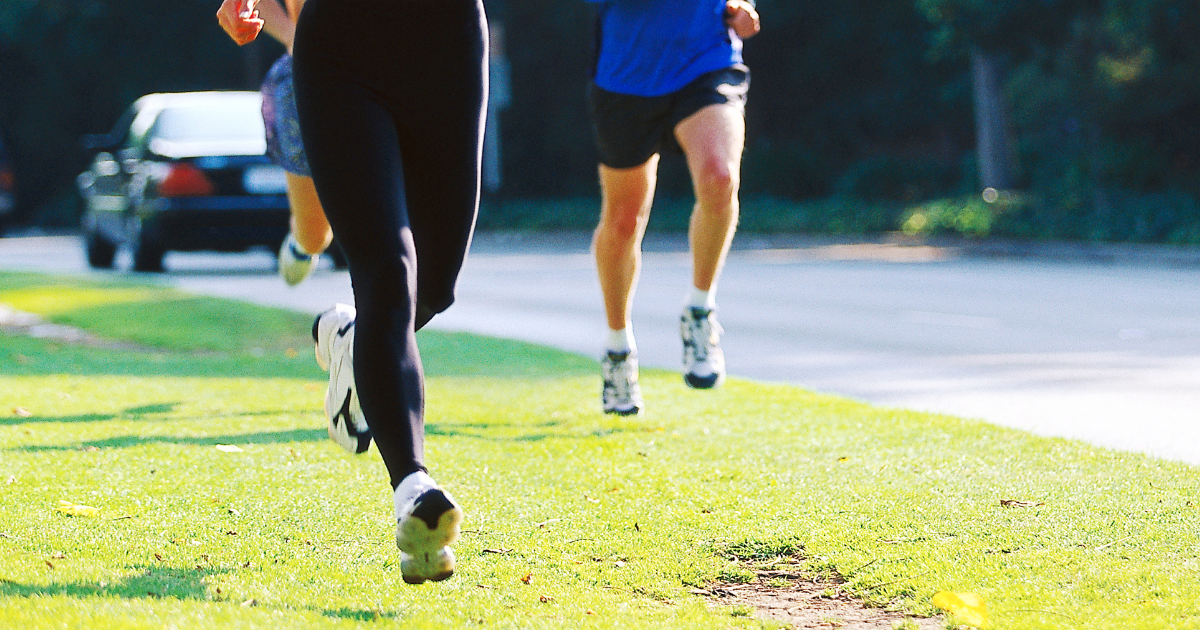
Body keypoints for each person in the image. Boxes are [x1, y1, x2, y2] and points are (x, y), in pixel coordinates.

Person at [216, 0, 487, 585]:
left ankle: (352, 340)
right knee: (388, 271)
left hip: (448, 45)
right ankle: (413, 489)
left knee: (434, 288)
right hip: (340, 52)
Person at [585, 0, 760, 415]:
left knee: (720, 179)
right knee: (623, 222)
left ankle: (700, 308)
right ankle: (617, 349)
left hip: (705, 60)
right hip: (626, 76)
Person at [217, 0, 333, 286]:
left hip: (392, 71)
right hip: (310, 74)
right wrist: (294, 37)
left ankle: (376, 323)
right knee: (314, 235)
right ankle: (302, 243)